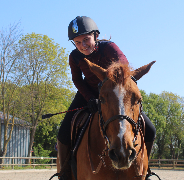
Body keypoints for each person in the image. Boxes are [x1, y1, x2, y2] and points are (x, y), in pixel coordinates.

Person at [57, 16, 156, 179]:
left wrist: (108, 84)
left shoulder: (109, 47)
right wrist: (89, 98)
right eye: (78, 42)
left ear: (95, 35)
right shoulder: (74, 57)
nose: (83, 45)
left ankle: (146, 169)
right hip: (88, 93)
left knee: (150, 130)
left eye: (86, 39)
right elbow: (76, 80)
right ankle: (64, 173)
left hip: (115, 93)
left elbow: (123, 66)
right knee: (63, 131)